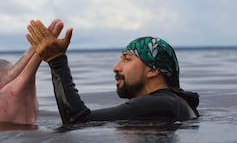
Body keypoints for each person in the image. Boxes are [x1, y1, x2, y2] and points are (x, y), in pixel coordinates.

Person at [26, 19, 199, 125]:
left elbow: (77, 121)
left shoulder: (157, 103)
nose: (116, 67)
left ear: (153, 69)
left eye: (127, 59)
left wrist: (57, 60)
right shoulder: (176, 104)